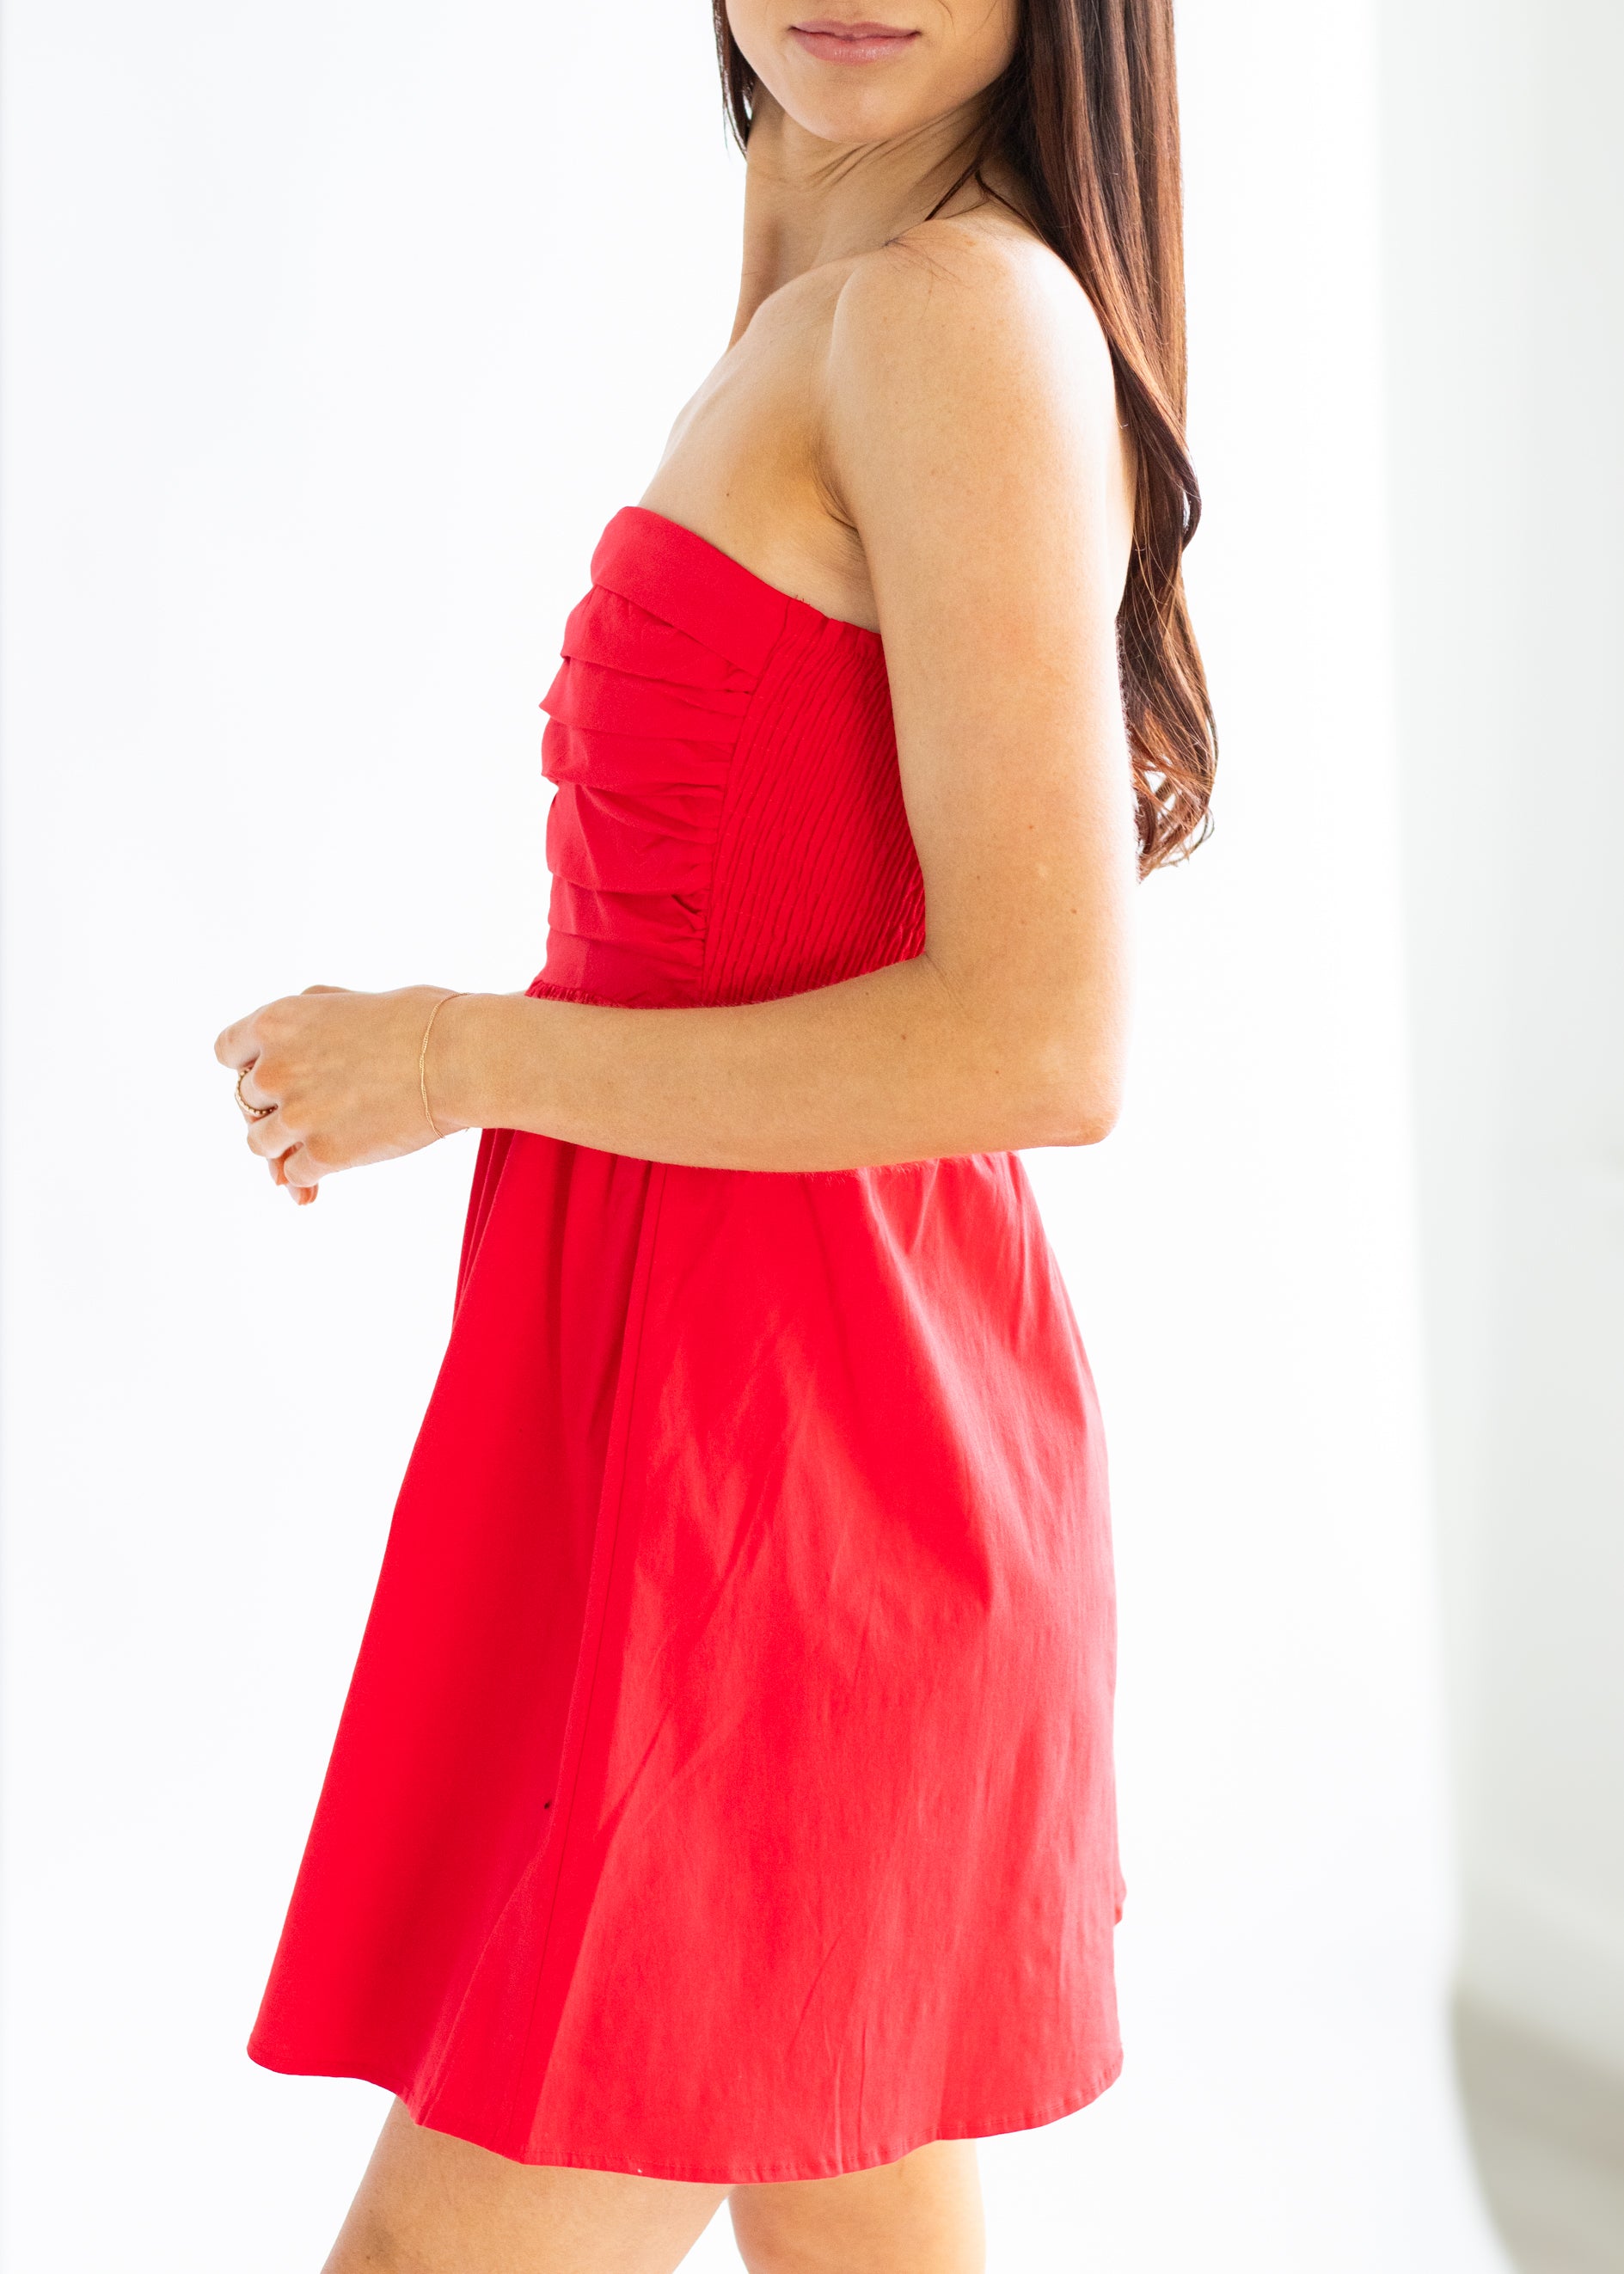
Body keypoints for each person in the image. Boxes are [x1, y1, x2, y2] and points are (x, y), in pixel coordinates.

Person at [215, 4, 1215, 2269]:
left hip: (797, 1499)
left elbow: (1048, 1039)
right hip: (721, 1452)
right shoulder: (823, 296)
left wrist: (454, 1056)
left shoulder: (950, 317)